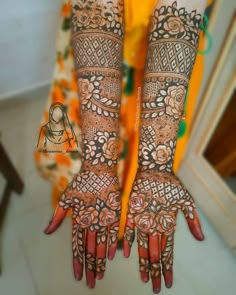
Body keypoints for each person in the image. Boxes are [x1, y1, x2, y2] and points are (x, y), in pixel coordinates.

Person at [44, 0, 207, 293]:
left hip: (166, 61)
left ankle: (119, 229)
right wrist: (97, 162)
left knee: (137, 169)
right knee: (79, 157)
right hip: (94, 47)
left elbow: (181, 9)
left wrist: (156, 167)